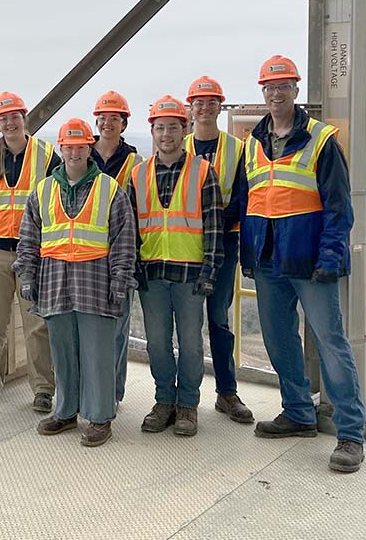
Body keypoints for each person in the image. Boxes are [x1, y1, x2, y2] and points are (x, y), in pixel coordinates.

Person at [241, 55, 366, 473]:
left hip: (310, 261)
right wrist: (248, 253)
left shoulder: (320, 139)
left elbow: (338, 207)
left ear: (296, 91)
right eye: (269, 88)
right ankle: (297, 412)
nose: (276, 94)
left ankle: (351, 433)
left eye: (283, 87)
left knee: (332, 344)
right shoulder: (253, 143)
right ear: (263, 92)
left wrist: (330, 256)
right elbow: (250, 204)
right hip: (269, 261)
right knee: (279, 342)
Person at [15, 118, 136, 447]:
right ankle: (66, 411)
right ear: (61, 149)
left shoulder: (110, 189)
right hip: (55, 283)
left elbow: (124, 240)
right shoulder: (42, 191)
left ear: (89, 148)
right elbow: (28, 239)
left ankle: (99, 417)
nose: (74, 152)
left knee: (98, 352)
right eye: (68, 147)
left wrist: (121, 281)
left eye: (80, 146)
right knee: (62, 351)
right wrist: (27, 275)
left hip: (96, 282)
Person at [0, 92, 60, 411]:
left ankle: (43, 389)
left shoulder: (47, 157)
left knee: (36, 323)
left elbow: (59, 204)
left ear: (24, 117)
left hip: (33, 253)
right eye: (3, 118)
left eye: (15, 116)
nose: (10, 122)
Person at [132, 96, 223, 437]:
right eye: (160, 127)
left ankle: (187, 404)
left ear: (185, 130)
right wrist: (134, 269)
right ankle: (163, 401)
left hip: (190, 274)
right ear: (152, 131)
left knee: (190, 343)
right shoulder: (138, 174)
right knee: (156, 342)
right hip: (152, 273)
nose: (166, 133)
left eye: (173, 127)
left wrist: (210, 270)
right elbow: (130, 230)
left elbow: (214, 225)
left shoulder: (202, 171)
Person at [184, 76, 253, 424]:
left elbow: (244, 195)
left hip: (223, 242)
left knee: (218, 319)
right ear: (191, 108)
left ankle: (227, 392)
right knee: (186, 322)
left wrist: (215, 221)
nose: (205, 108)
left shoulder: (236, 148)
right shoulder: (177, 145)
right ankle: (184, 398)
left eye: (212, 102)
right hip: (184, 244)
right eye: (199, 102)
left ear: (219, 106)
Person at [90, 90, 143, 406]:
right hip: (85, 254)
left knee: (118, 327)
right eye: (103, 117)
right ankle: (89, 388)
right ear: (96, 121)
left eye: (115, 118)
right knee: (87, 326)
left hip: (121, 254)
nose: (108, 122)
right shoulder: (81, 154)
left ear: (124, 123)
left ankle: (113, 391)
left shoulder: (136, 162)